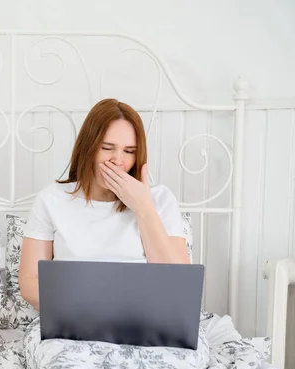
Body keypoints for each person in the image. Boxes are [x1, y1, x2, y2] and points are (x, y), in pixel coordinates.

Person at [18, 98, 191, 311]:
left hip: (145, 320)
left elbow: (178, 286)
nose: (118, 160)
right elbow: (29, 282)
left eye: (129, 151)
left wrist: (143, 207)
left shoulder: (161, 200)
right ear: (88, 148)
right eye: (108, 148)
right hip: (74, 318)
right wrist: (87, 304)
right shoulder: (52, 199)